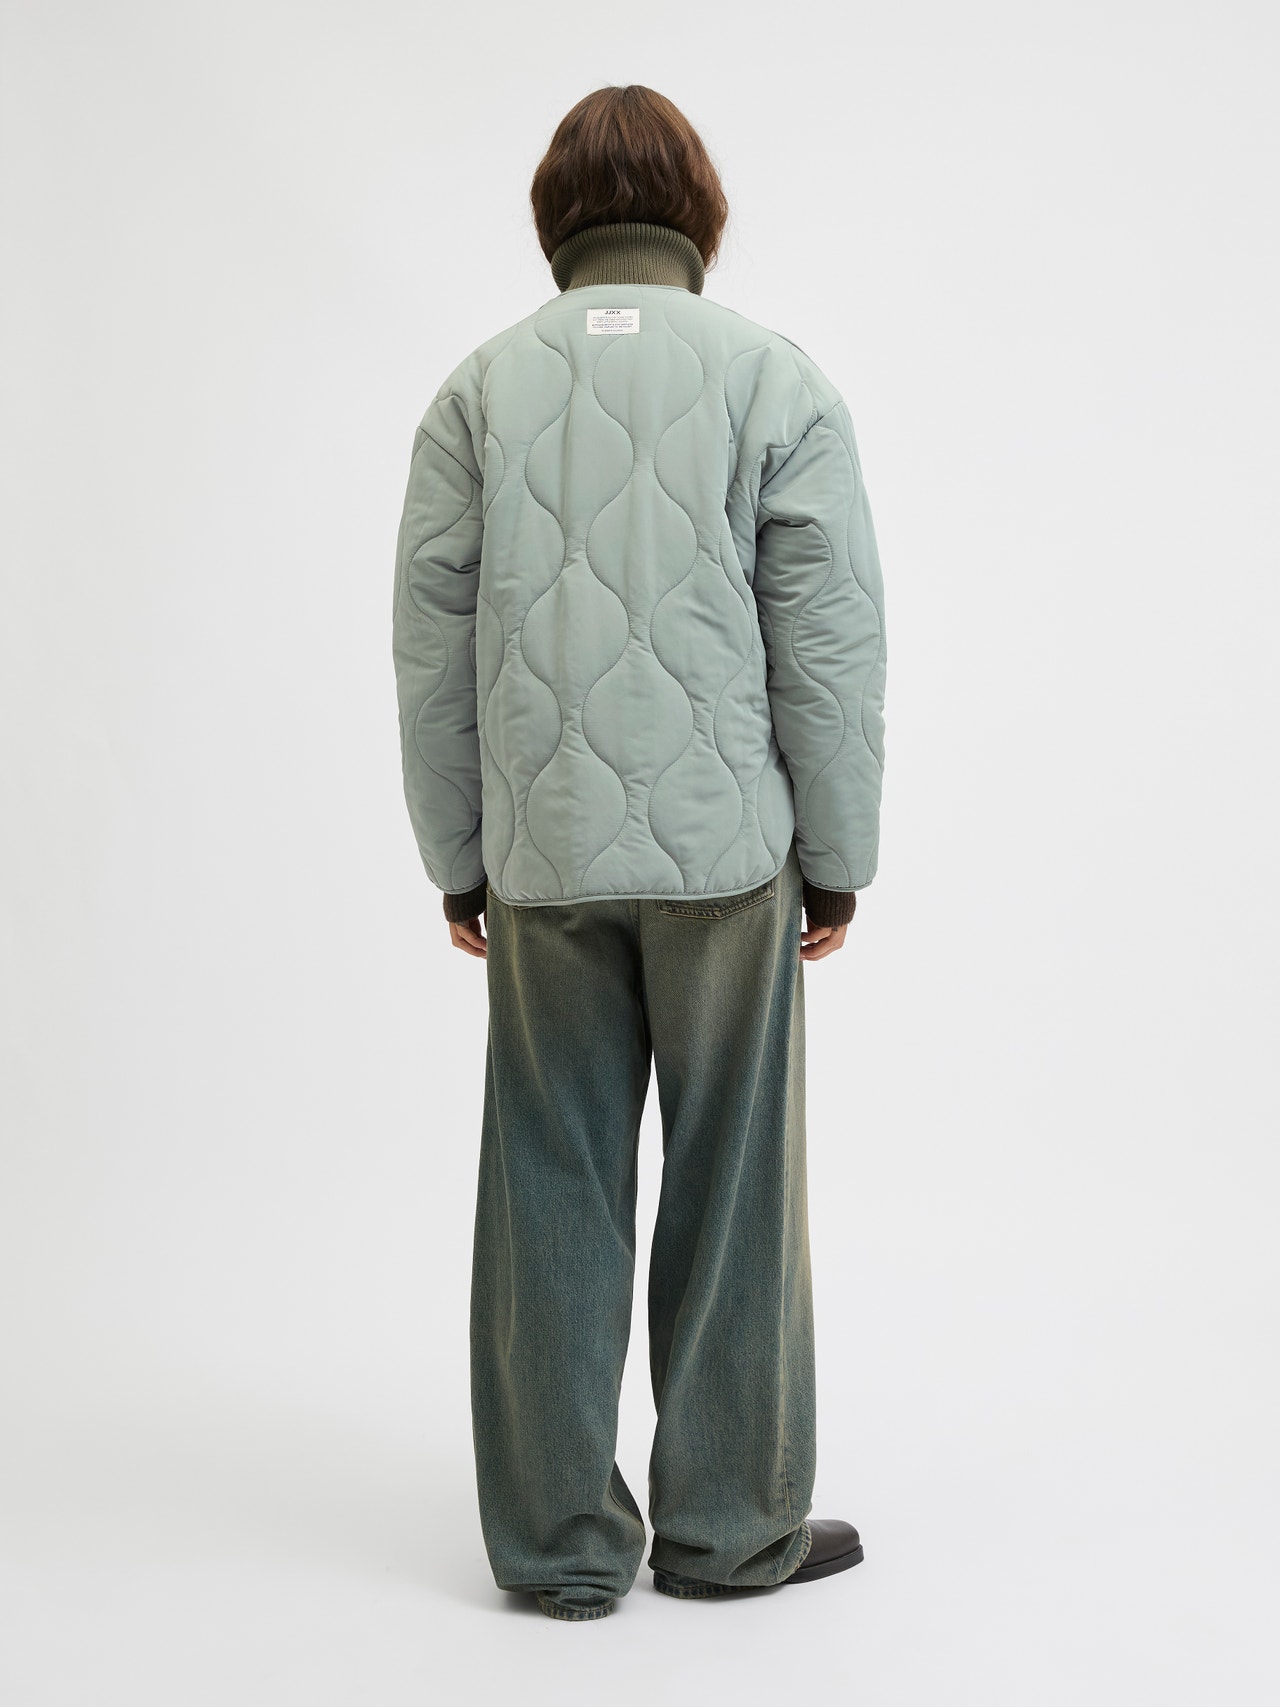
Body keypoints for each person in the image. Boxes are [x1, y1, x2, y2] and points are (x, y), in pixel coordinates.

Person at [391, 84, 887, 1622]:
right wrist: (838, 856)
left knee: (548, 1180)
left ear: (558, 218)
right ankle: (730, 1532)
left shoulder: (479, 390)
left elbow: (430, 647)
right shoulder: (771, 379)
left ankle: (557, 1549)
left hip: (542, 859)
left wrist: (459, 856)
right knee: (734, 1188)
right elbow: (830, 642)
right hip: (730, 862)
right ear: (698, 213)